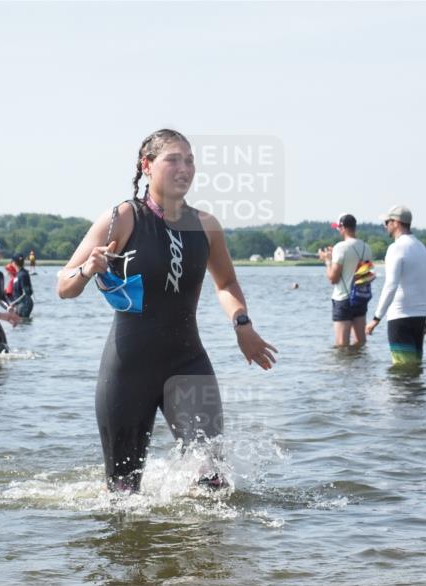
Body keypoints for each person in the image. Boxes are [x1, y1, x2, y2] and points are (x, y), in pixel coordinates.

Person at [57, 128, 277, 492]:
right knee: (124, 495)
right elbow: (64, 286)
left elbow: (226, 284)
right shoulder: (123, 217)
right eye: (173, 159)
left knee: (213, 482)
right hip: (128, 370)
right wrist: (88, 269)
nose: (184, 168)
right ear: (147, 166)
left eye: (189, 160)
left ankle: (200, 547)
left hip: (187, 362)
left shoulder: (206, 226)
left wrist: (242, 324)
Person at [366, 205, 426, 366]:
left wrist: (376, 318)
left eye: (387, 222)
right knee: (415, 367)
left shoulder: (396, 248)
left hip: (400, 317)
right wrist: (425, 317)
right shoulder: (421, 248)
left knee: (402, 369)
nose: (385, 226)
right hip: (419, 318)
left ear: (396, 223)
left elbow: (391, 285)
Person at [317, 213, 373, 347]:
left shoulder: (340, 247)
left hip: (343, 299)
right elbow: (366, 275)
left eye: (338, 227)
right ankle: (359, 367)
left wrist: (327, 260)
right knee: (360, 342)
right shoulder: (366, 247)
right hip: (360, 298)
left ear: (342, 227)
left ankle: (345, 368)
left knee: (342, 345)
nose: (338, 230)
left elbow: (333, 278)